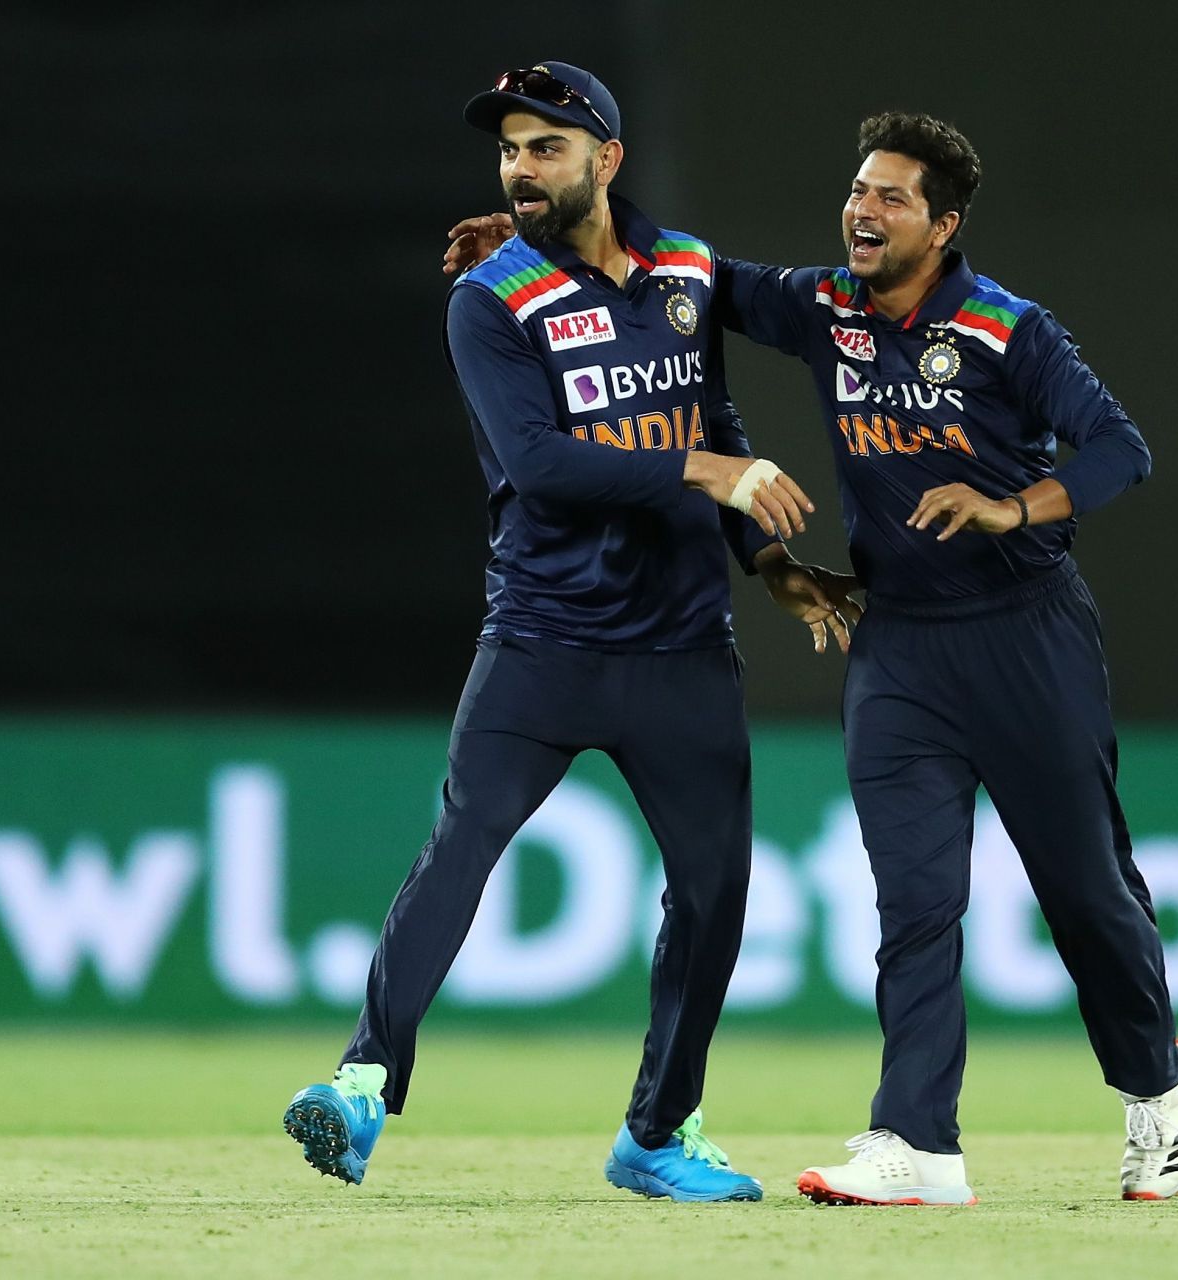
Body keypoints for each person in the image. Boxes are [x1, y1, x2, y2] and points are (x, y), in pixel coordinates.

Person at [446, 110, 1178, 1205]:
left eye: (892, 196)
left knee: (1085, 895)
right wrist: (529, 249)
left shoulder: (1005, 329)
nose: (863, 208)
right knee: (915, 903)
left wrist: (1010, 506)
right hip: (897, 648)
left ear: (942, 226)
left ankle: (1154, 1084)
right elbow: (677, 273)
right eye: (858, 188)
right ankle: (917, 1143)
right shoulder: (823, 306)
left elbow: (1122, 448)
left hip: (1026, 635)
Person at [284, 61, 826, 1204]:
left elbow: (711, 410)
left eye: (546, 147)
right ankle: (364, 1078)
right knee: (464, 842)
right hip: (543, 639)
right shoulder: (489, 299)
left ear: (606, 158)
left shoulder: (687, 270)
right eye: (510, 150)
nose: (521, 169)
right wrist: (710, 468)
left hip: (682, 647)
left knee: (717, 893)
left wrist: (766, 560)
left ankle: (657, 1134)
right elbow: (543, 464)